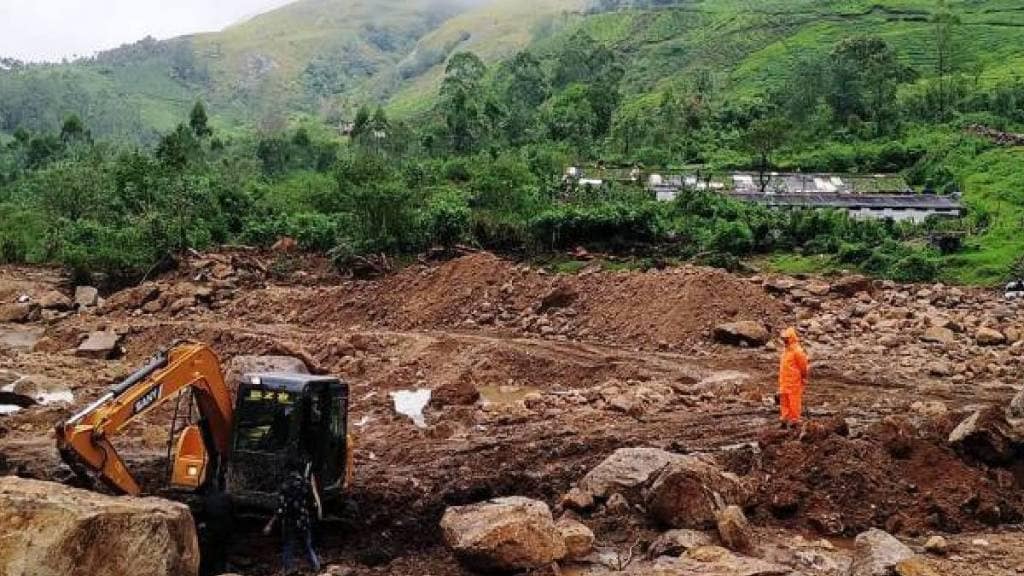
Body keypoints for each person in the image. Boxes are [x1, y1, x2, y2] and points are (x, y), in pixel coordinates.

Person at [263, 462, 322, 574]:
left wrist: (270, 524)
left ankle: (288, 569)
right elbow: (313, 504)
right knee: (307, 546)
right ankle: (316, 566)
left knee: (288, 546)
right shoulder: (306, 484)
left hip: (290, 522)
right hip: (304, 521)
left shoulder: (285, 486)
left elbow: (281, 509)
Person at [197, 483, 234, 576]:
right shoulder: (227, 497)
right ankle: (222, 571)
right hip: (226, 530)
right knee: (222, 552)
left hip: (212, 531)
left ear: (205, 492)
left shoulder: (206, 501)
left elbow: (203, 517)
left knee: (210, 552)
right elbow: (233, 514)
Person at [778, 327, 809, 429]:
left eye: (786, 338)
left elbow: (803, 366)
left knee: (794, 401)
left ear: (791, 338)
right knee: (784, 401)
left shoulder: (797, 351)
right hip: (784, 381)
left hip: (794, 382)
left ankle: (794, 421)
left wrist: (803, 377)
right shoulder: (786, 350)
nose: (784, 340)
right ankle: (784, 419)